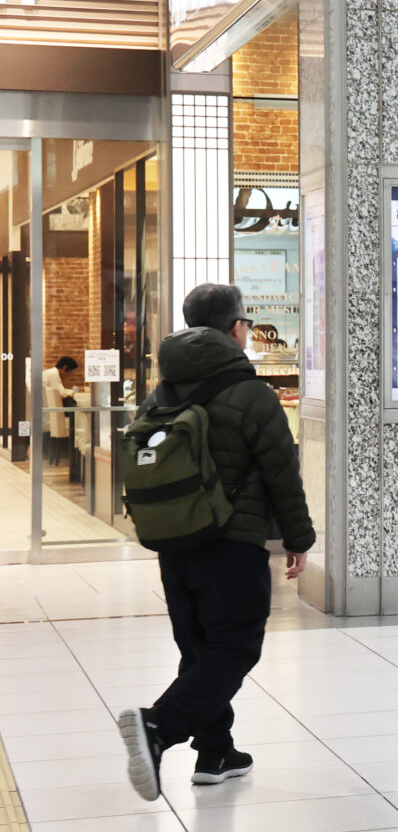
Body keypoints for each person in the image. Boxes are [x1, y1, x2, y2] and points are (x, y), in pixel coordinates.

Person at [118, 283, 310, 801]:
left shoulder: (162, 393)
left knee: (201, 649)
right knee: (235, 646)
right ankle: (158, 727)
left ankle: (216, 751)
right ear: (234, 328)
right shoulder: (252, 394)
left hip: (175, 541)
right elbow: (282, 472)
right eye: (245, 321)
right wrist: (298, 538)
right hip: (233, 543)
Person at [42, 355, 76, 466]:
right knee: (75, 423)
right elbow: (61, 393)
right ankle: (75, 456)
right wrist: (73, 392)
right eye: (69, 372)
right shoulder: (53, 374)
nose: (69, 375)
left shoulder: (49, 373)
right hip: (50, 416)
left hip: (47, 413)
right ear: (64, 367)